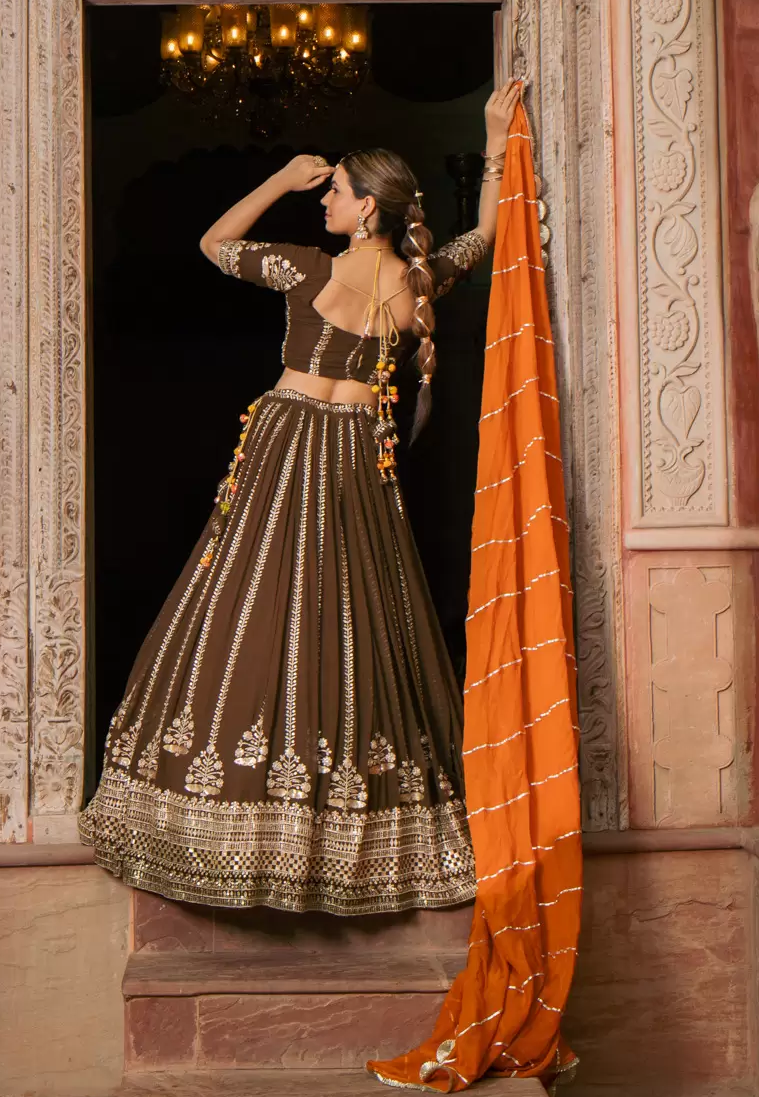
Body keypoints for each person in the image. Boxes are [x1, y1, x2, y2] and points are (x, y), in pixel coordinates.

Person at [80, 82, 523, 915]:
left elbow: (214, 242)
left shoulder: (307, 268)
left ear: (368, 211)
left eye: (335, 192)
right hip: (354, 450)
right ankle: (328, 828)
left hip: (290, 442)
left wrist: (280, 180)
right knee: (347, 616)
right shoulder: (419, 280)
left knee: (252, 607)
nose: (324, 200)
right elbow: (488, 236)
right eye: (320, 190)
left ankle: (265, 823)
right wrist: (494, 140)